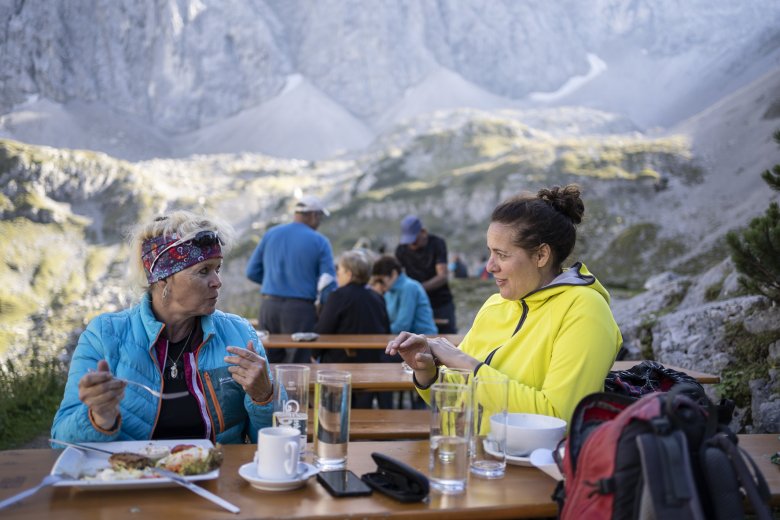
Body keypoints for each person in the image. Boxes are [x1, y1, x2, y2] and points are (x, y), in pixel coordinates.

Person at [386, 185, 623, 424]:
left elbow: (558, 417)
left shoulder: (585, 311)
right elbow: (455, 401)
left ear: (541, 256)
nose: (490, 266)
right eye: (489, 253)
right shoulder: (494, 305)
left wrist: (464, 362)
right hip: (465, 453)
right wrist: (428, 374)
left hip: (523, 461)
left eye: (502, 255)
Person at [51, 210, 274, 443]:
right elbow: (61, 441)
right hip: (133, 476)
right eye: (203, 271)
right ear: (163, 278)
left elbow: (274, 438)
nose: (217, 282)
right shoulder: (104, 335)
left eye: (217, 269)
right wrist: (98, 417)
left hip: (217, 475)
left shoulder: (239, 333)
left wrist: (264, 397)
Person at [246, 195, 336, 363]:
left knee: (269, 363)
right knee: (297, 365)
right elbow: (328, 284)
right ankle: (293, 391)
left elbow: (251, 271)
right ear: (313, 215)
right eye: (320, 216)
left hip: (268, 307)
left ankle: (272, 391)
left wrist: (273, 283)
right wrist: (321, 306)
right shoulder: (320, 241)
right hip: (301, 310)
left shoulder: (271, 234)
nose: (320, 221)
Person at [315, 250, 391, 408]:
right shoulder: (377, 297)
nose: (337, 274)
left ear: (349, 273)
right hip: (371, 365)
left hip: (340, 365)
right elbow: (386, 330)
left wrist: (313, 354)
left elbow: (323, 330)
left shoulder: (337, 296)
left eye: (339, 270)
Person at [395, 215, 457, 333]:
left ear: (423, 232)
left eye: (414, 240)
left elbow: (442, 276)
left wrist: (417, 288)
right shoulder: (401, 249)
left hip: (440, 302)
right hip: (416, 305)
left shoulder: (437, 243)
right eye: (409, 241)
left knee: (448, 340)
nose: (411, 244)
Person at [371, 255, 437, 336]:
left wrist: (379, 331)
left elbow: (403, 325)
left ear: (394, 273)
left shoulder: (409, 287)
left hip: (424, 339)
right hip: (406, 339)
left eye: (381, 280)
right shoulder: (389, 291)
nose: (379, 284)